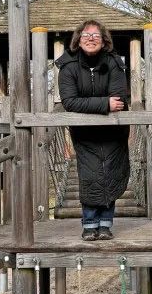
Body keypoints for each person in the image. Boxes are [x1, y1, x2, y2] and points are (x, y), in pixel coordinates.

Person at [55, 20, 130, 241]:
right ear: (78, 40)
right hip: (85, 134)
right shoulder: (68, 67)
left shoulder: (114, 63)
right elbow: (70, 102)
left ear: (104, 41)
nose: (90, 39)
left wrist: (96, 103)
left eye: (96, 35)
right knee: (90, 176)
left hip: (114, 133)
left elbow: (119, 100)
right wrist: (104, 105)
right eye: (86, 35)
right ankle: (89, 224)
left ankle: (106, 224)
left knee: (112, 173)